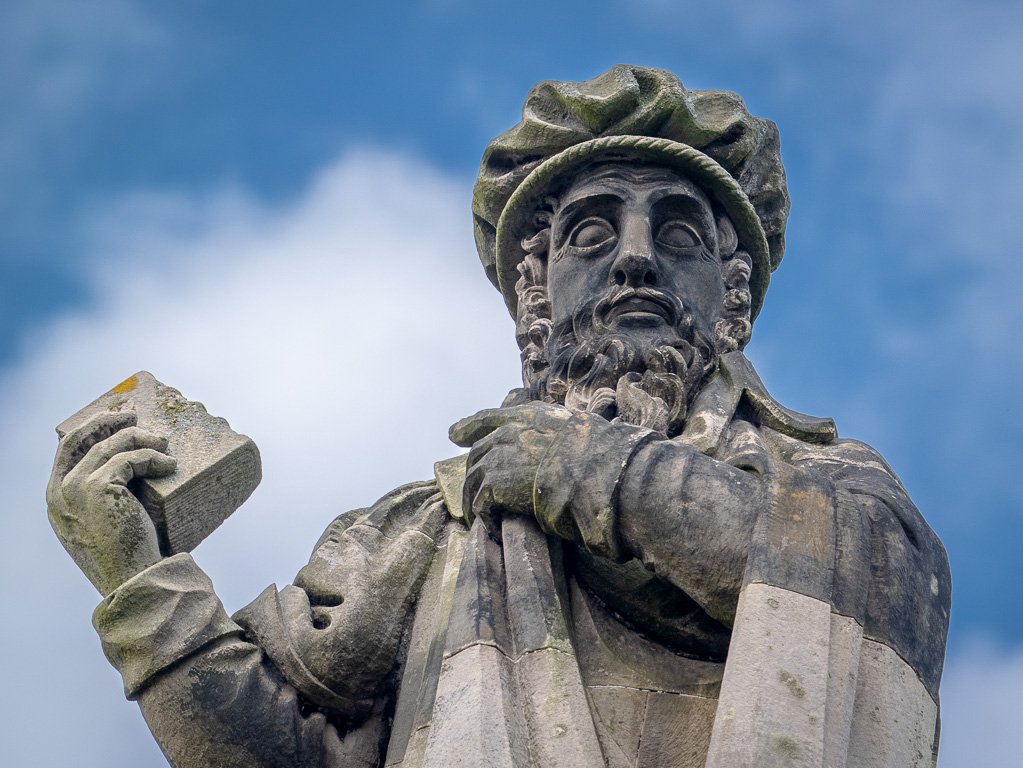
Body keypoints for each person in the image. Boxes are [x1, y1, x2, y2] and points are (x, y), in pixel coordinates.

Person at [47, 65, 950, 768]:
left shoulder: (829, 490)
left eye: (677, 235)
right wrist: (141, 584)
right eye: (591, 233)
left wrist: (596, 473)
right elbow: (289, 752)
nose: (635, 259)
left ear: (730, 300)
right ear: (536, 296)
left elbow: (885, 599)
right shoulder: (418, 529)